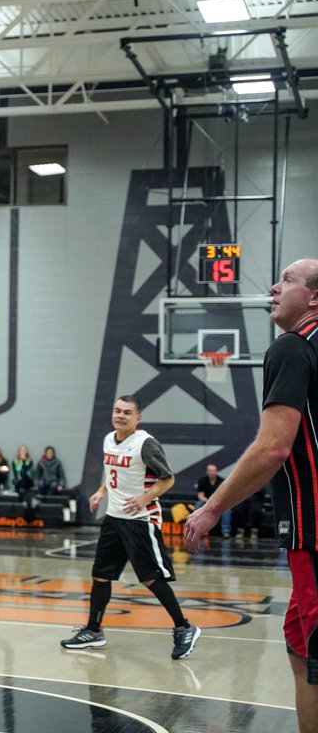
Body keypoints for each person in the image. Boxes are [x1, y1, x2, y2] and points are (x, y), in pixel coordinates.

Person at [183, 258, 318, 733]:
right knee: (300, 650)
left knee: (312, 654)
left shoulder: (293, 347)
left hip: (315, 528)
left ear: (314, 297)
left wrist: (212, 507)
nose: (274, 287)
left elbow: (273, 447)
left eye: (288, 280)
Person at [60, 395, 200, 659]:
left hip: (140, 520)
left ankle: (184, 627)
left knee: (150, 578)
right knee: (101, 576)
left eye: (127, 412)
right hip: (113, 518)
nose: (120, 416)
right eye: (117, 411)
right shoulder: (108, 439)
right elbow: (112, 471)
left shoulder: (145, 444)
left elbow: (168, 479)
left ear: (138, 418)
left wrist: (143, 499)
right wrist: (101, 492)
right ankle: (93, 630)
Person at [194, 463, 232, 538]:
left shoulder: (222, 481)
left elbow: (223, 496)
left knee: (227, 508)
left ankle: (225, 530)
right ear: (207, 472)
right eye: (210, 470)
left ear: (216, 471)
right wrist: (209, 502)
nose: (211, 472)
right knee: (198, 505)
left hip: (218, 502)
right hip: (206, 501)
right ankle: (199, 529)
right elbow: (200, 496)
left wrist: (216, 502)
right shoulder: (202, 481)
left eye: (213, 470)